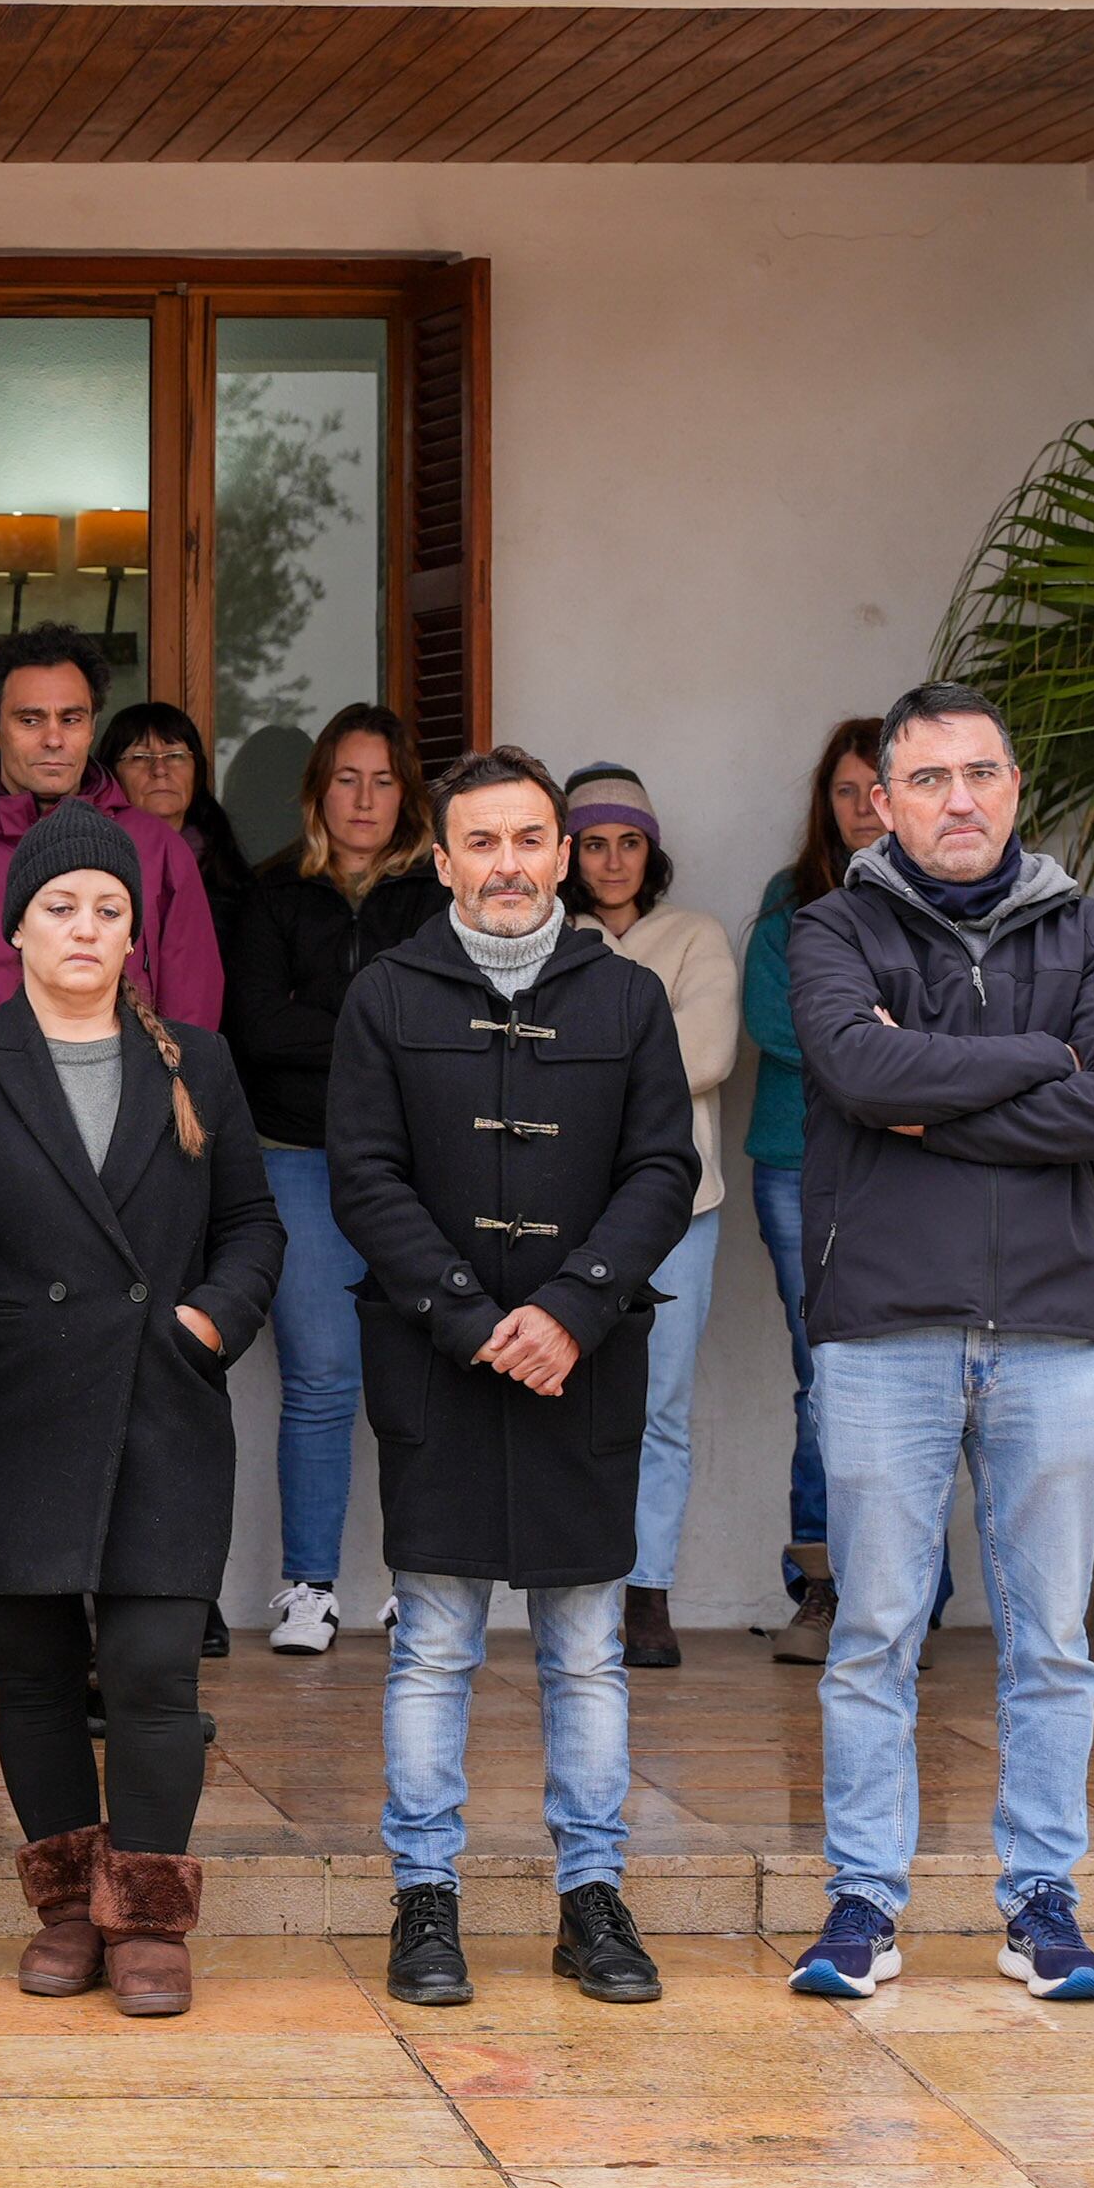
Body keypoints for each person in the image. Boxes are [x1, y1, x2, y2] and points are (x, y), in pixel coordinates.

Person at [783, 682, 1094, 2007]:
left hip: (1051, 1324)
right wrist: (1041, 1059)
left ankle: (1043, 1901)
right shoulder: (833, 927)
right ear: (884, 801)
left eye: (981, 773)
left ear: (1014, 788)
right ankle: (862, 1900)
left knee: (1050, 1635)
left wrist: (936, 1094)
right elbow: (857, 1073)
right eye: (929, 778)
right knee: (876, 1628)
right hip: (883, 1322)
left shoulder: (1085, 929)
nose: (959, 799)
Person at [0, 804, 278, 2020]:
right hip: (13, 1403)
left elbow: (252, 1225)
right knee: (36, 1675)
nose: (85, 926)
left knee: (153, 1670)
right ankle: (63, 1908)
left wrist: (206, 1323)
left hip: (164, 1399)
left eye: (107, 908)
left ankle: (145, 1917)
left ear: (133, 931)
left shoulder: (197, 1060)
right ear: (16, 927)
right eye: (60, 906)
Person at [333, 752, 699, 2010]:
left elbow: (662, 1169)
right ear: (441, 860)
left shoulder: (627, 996)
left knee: (586, 1648)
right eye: (480, 842)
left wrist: (570, 1307)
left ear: (563, 854)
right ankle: (423, 1897)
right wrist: (470, 1315)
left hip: (579, 1369)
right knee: (433, 1644)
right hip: (437, 1361)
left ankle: (591, 1897)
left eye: (529, 839)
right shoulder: (385, 994)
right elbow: (363, 1173)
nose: (507, 864)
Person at [221, 704, 446, 1658]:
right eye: (347, 778)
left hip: (415, 1164)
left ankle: (418, 1584)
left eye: (383, 780)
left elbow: (442, 1025)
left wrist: (332, 1021)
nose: (364, 798)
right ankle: (309, 1587)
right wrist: (377, 1024)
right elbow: (257, 1030)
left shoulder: (436, 897)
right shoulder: (273, 893)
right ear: (318, 791)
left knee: (419, 1375)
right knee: (319, 1377)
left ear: (408, 794)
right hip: (295, 1154)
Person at [559, 763, 738, 1673]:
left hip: (680, 1204)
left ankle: (648, 1592)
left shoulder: (697, 934)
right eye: (594, 842)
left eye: (630, 842)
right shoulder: (550, 936)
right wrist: (644, 1037)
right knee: (572, 1394)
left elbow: (707, 1052)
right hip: (566, 1202)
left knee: (660, 1403)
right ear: (569, 853)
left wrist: (590, 1059)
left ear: (651, 851)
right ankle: (578, 1585)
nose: (613, 859)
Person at [0, 629, 226, 1064]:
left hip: (130, 1106)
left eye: (71, 719)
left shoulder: (159, 851)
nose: (53, 739)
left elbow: (191, 1022)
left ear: (92, 727)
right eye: (30, 720)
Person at [742, 719, 887, 1666]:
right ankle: (824, 1590)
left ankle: (906, 1596)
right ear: (822, 802)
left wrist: (871, 1050)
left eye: (880, 786)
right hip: (799, 1160)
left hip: (917, 1167)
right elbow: (773, 1018)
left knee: (912, 1377)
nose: (864, 806)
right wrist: (889, 1053)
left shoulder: (944, 898)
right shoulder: (788, 900)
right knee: (824, 1377)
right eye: (845, 789)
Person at [101, 699, 259, 966]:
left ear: (197, 771)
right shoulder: (92, 865)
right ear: (111, 775)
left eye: (175, 755)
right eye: (139, 757)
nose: (160, 770)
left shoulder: (231, 877)